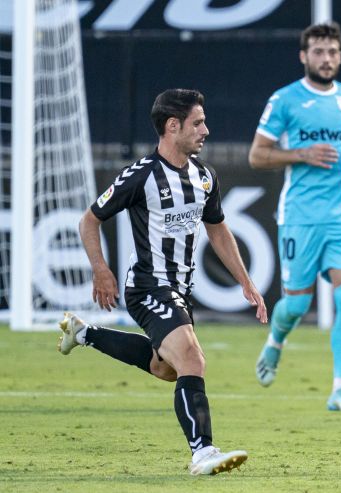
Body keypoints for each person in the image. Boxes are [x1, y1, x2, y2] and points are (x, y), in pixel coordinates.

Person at [58, 89, 268, 476]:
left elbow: (218, 229)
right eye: (197, 123)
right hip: (148, 286)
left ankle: (84, 334)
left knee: (166, 368)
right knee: (192, 359)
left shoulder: (205, 176)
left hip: (181, 290)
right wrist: (100, 269)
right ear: (173, 126)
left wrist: (246, 282)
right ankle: (202, 452)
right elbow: (89, 220)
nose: (206, 130)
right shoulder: (141, 175)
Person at [248, 22, 341, 412]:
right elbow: (257, 155)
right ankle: (276, 341)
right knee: (297, 306)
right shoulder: (285, 100)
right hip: (300, 216)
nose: (326, 58)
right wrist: (301, 154)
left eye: (332, 52)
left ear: (340, 56)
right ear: (304, 56)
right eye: (319, 52)